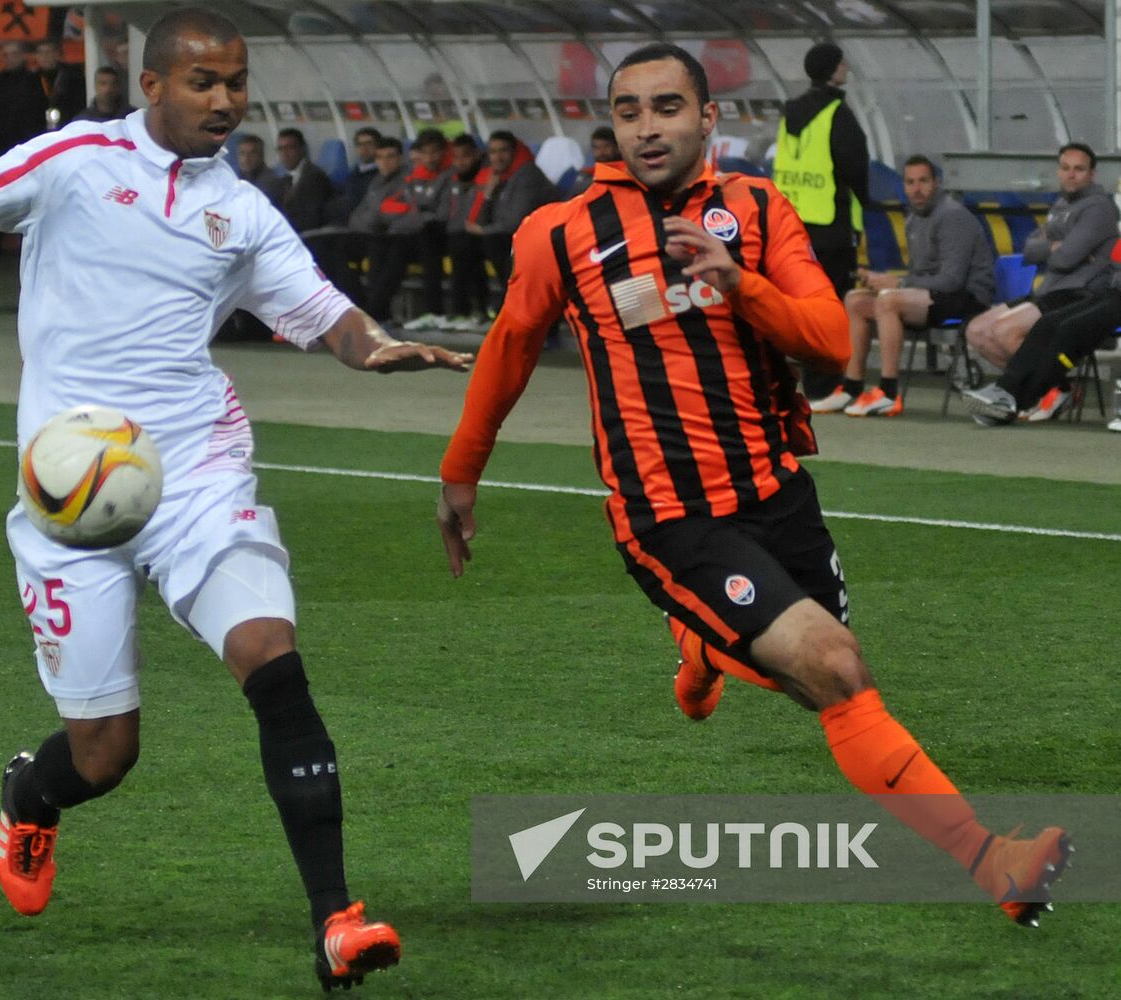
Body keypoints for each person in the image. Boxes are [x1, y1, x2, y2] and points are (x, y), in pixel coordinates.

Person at [0, 7, 474, 989]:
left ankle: (337, 918)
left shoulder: (240, 210)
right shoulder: (74, 158)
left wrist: (376, 348)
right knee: (105, 754)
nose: (226, 101)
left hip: (196, 474)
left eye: (237, 82)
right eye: (205, 82)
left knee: (273, 662)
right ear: (152, 86)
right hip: (71, 497)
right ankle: (32, 794)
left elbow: (326, 312)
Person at [435, 41, 1069, 931]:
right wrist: (460, 473)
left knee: (831, 684)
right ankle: (991, 863)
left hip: (779, 496)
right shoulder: (561, 231)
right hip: (672, 515)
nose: (647, 127)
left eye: (666, 107)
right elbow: (507, 349)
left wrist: (739, 283)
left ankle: (702, 651)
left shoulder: (758, 211)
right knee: (836, 669)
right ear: (611, 125)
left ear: (709, 118)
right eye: (628, 110)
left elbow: (825, 340)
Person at [821, 155, 994, 417]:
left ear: (936, 183)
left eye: (923, 181)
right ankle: (851, 386)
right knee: (856, 299)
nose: (917, 189)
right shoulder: (913, 217)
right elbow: (921, 275)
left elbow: (951, 280)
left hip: (966, 297)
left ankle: (889, 392)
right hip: (932, 295)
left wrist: (897, 285)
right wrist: (881, 281)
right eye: (910, 182)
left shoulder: (952, 216)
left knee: (888, 300)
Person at [963, 143, 1117, 408]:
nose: (1071, 174)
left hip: (1076, 292)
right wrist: (1056, 247)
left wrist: (1056, 248)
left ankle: (1029, 393)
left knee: (1004, 331)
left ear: (1092, 174)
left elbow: (1065, 259)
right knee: (977, 331)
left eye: (1079, 169)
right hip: (1048, 288)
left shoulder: (1099, 208)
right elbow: (1030, 249)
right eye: (1065, 168)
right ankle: (1053, 389)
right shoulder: (1060, 205)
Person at [774, 42, 870, 403]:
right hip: (832, 225)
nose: (846, 66)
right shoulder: (836, 113)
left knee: (800, 306)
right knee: (831, 307)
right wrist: (866, 204)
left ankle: (803, 382)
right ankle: (827, 385)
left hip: (793, 225)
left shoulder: (790, 113)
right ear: (832, 69)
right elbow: (855, 167)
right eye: (842, 62)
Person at [962, 241, 1121, 425]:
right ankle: (1004, 391)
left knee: (1069, 329)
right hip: (1111, 292)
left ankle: (1017, 400)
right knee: (1046, 323)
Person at [465, 131, 559, 290]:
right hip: (509, 237)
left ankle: (509, 300)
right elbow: (481, 220)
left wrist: (483, 231)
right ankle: (474, 309)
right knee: (464, 243)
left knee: (493, 242)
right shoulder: (498, 177)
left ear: (514, 153)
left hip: (538, 238)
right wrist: (488, 194)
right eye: (493, 152)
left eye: (503, 151)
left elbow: (515, 223)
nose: (498, 157)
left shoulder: (527, 175)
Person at [379, 129, 453, 331]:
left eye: (435, 152)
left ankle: (435, 311)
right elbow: (388, 208)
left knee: (427, 238)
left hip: (444, 233)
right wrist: (417, 213)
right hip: (416, 231)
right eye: (425, 152)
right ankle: (378, 313)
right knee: (396, 246)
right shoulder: (413, 177)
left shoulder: (449, 176)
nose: (430, 158)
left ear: (443, 152)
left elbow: (443, 214)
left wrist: (418, 213)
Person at [347, 136, 409, 317]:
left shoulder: (406, 181)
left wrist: (375, 219)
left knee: (381, 250)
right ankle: (355, 305)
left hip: (395, 236)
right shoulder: (376, 181)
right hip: (370, 233)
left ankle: (374, 312)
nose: (385, 162)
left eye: (390, 157)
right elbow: (358, 215)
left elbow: (390, 214)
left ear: (400, 158)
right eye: (380, 158)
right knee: (336, 249)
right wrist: (372, 220)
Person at [441, 134, 490, 328]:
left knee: (466, 249)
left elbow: (484, 211)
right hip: (457, 232)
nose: (460, 162)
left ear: (477, 155)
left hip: (483, 232)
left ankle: (477, 310)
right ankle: (459, 311)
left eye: (465, 156)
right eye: (457, 157)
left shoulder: (487, 177)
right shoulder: (451, 179)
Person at [0, 41, 45, 160]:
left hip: (27, 145)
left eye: (14, 54)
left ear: (22, 56)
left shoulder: (35, 81)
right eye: (6, 55)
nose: (10, 58)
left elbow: (40, 111)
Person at [34, 39, 86, 131]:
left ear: (57, 54)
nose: (44, 56)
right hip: (40, 129)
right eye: (41, 53)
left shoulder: (72, 75)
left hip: (68, 126)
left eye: (48, 52)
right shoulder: (32, 79)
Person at [70, 65, 135, 124]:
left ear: (118, 86)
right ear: (95, 86)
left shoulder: (132, 117)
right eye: (102, 83)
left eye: (113, 84)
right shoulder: (82, 120)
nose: (108, 89)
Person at [234, 132, 285, 206]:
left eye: (252, 153)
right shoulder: (235, 178)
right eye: (242, 153)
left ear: (261, 155)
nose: (246, 158)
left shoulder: (270, 182)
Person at [571, 125, 620, 195]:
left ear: (617, 147)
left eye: (606, 146)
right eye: (596, 148)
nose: (601, 152)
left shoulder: (629, 173)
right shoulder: (586, 176)